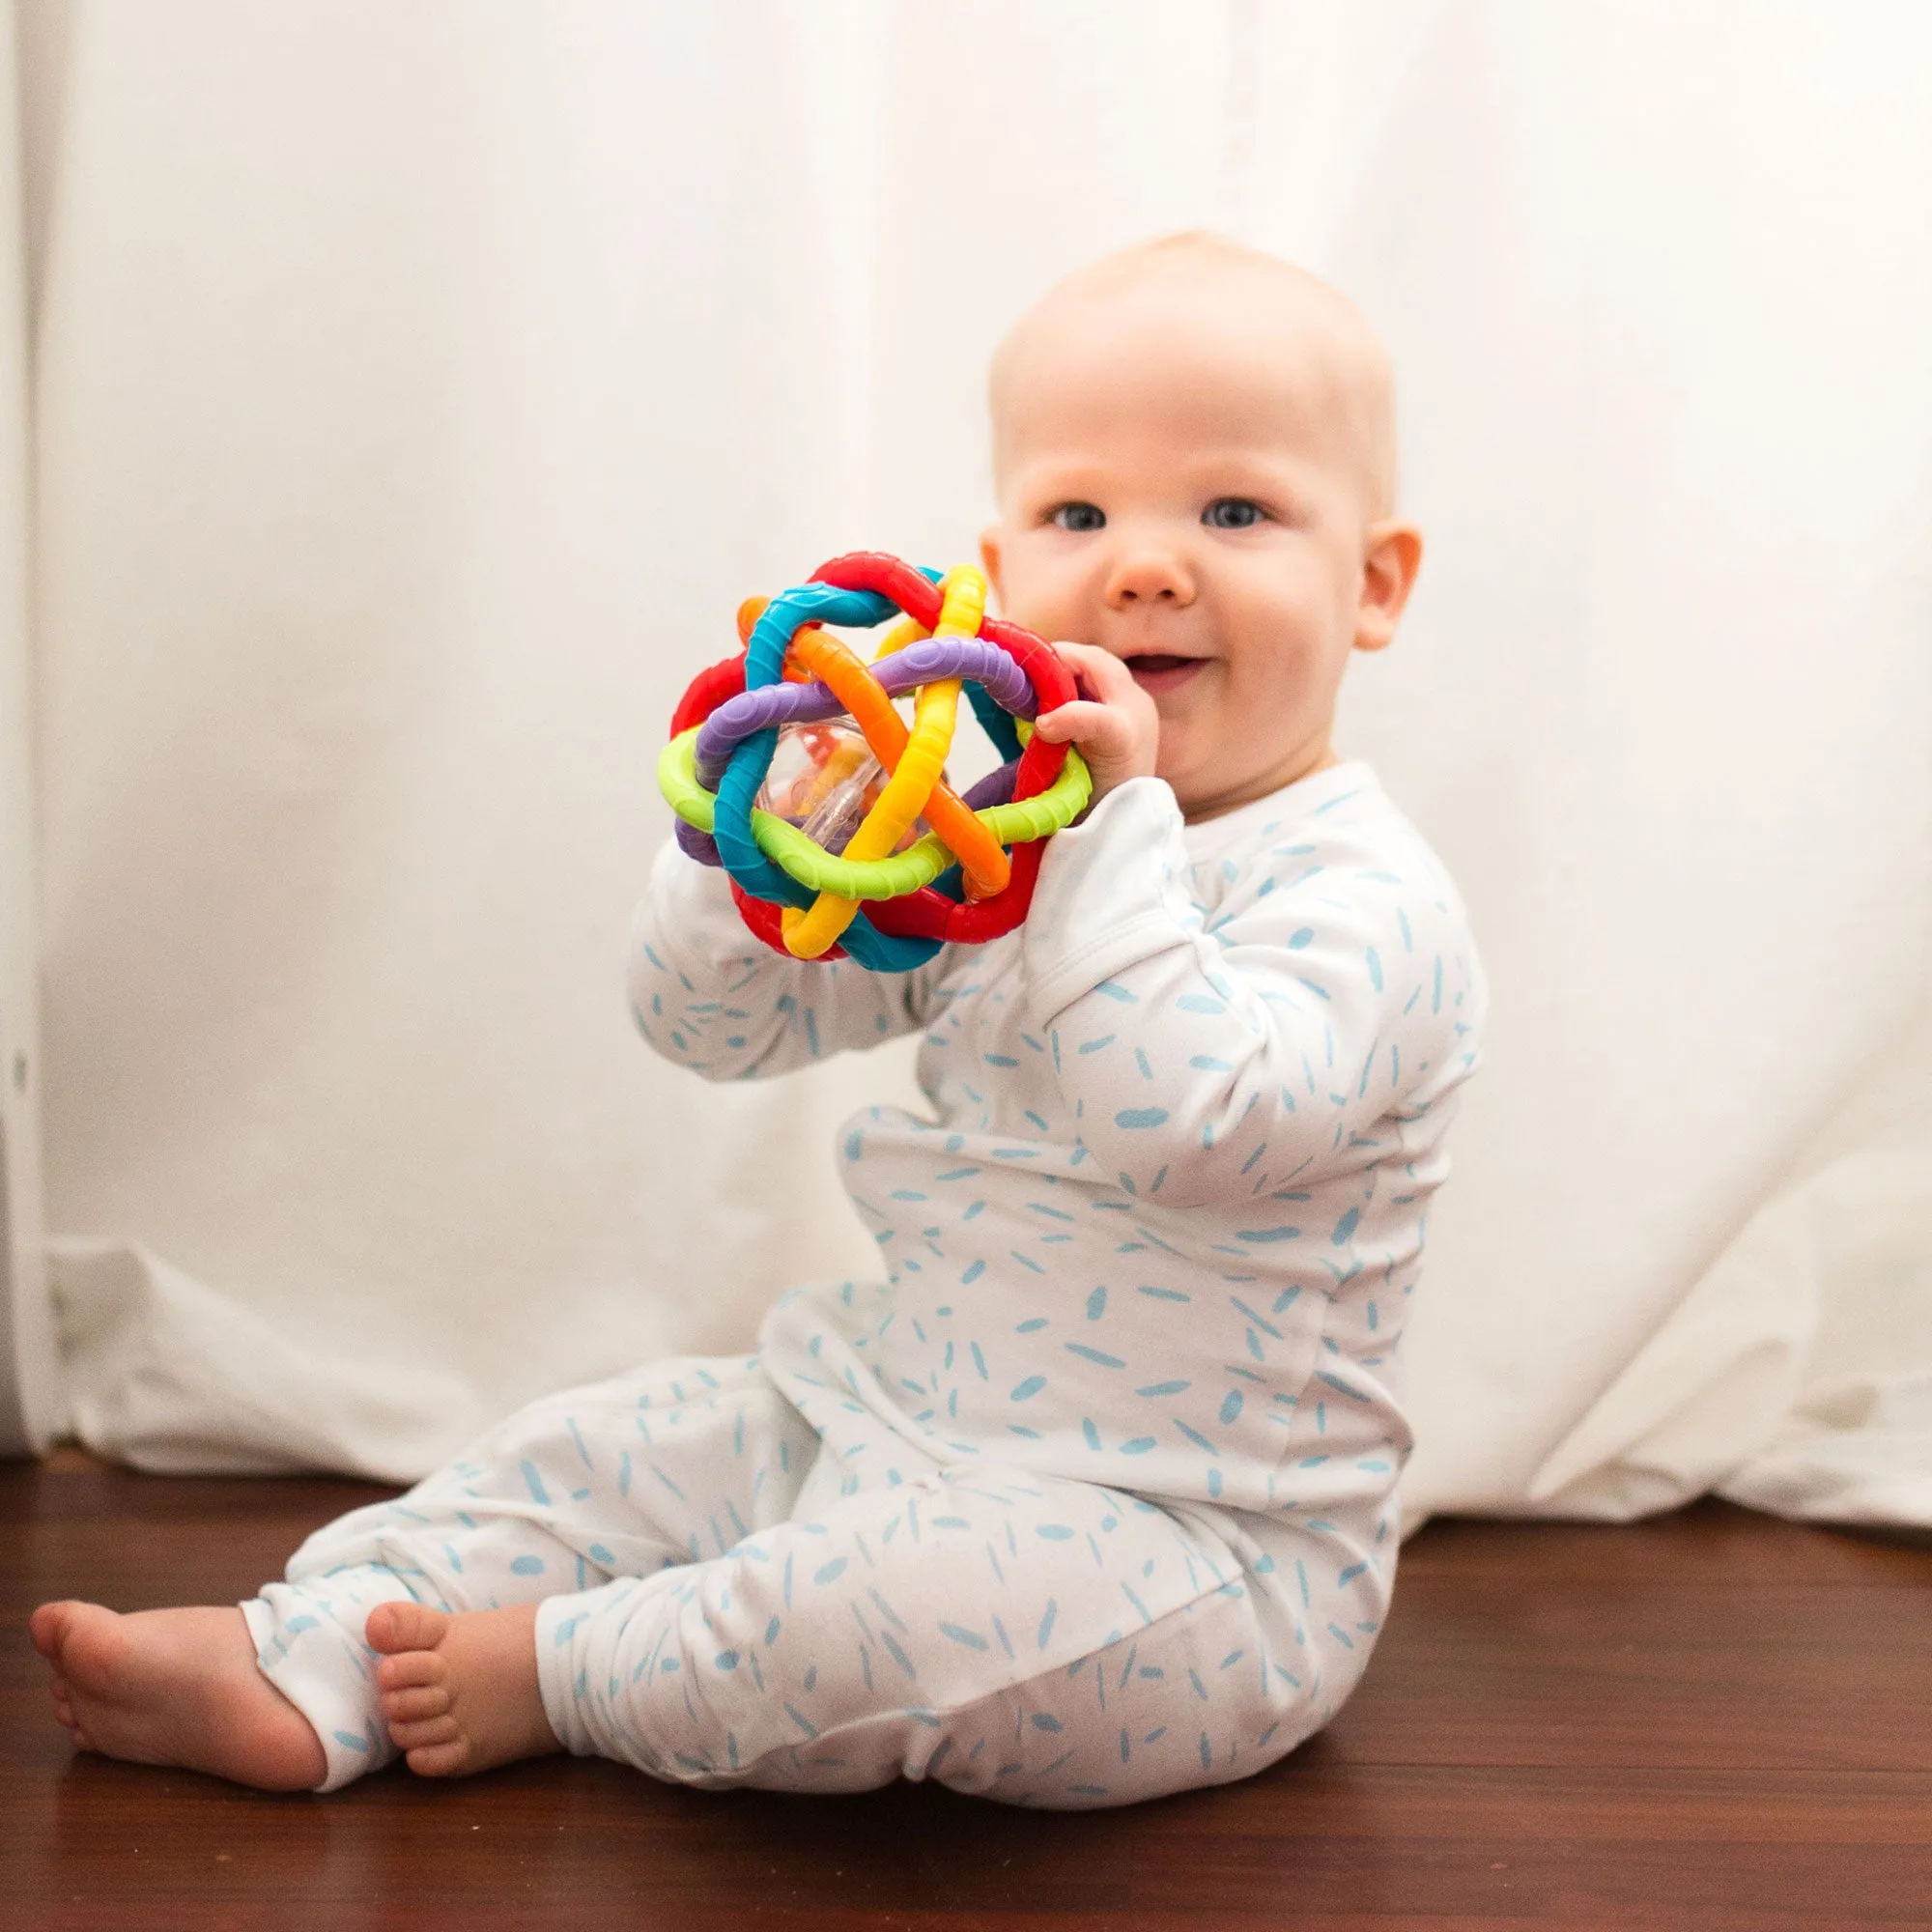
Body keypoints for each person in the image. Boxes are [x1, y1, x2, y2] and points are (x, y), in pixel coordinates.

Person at [32, 232, 1486, 1807]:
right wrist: (776, 828)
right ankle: (308, 1654)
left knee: (892, 1615)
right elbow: (708, 1027)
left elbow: (1188, 1130)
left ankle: (563, 1669)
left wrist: (1115, 831)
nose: (1145, 564)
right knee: (597, 1448)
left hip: (1200, 1559)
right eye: (1080, 512)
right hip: (880, 1411)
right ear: (995, 575)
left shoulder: (1369, 900)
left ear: (1376, 582)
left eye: (1235, 510)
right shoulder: (997, 844)